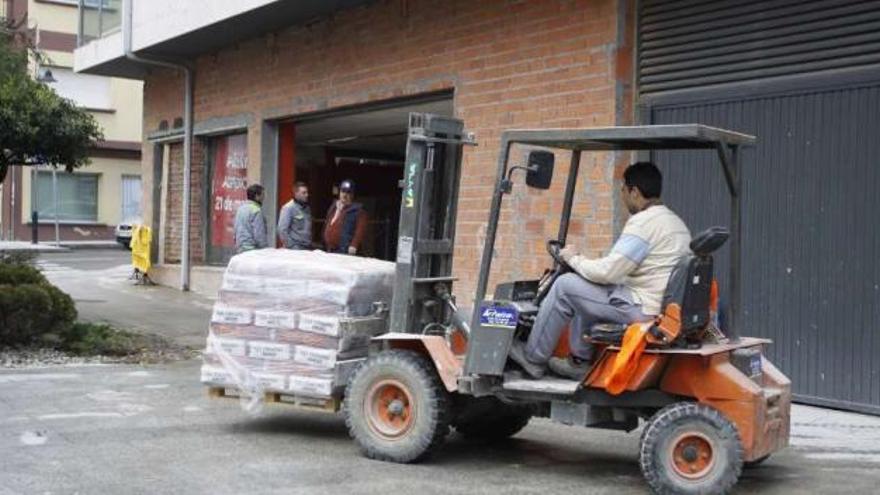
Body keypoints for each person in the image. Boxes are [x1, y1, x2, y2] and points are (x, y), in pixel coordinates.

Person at [509, 162, 692, 379]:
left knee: (564, 286)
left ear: (634, 192)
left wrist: (573, 258)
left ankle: (533, 358)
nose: (623, 196)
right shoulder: (673, 221)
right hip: (657, 303)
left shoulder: (643, 223)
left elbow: (608, 273)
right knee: (587, 287)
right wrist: (583, 265)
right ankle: (579, 361)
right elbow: (619, 267)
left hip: (643, 307)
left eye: (623, 190)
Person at [322, 179, 368, 255]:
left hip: (344, 251)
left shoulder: (358, 210)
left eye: (348, 192)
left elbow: (360, 230)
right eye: (343, 191)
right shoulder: (334, 207)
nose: (345, 195)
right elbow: (327, 223)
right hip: (329, 250)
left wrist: (354, 245)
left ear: (352, 194)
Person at [233, 184, 268, 253]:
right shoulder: (256, 211)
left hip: (240, 248)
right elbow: (259, 235)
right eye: (263, 195)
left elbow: (235, 229)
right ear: (257, 196)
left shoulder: (241, 209)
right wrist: (265, 250)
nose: (264, 197)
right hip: (252, 250)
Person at [277, 181, 312, 250]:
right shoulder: (288, 208)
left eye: (307, 192)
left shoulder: (307, 208)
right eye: (303, 193)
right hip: (295, 248)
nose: (307, 195)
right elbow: (282, 230)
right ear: (296, 193)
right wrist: (291, 246)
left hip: (307, 246)